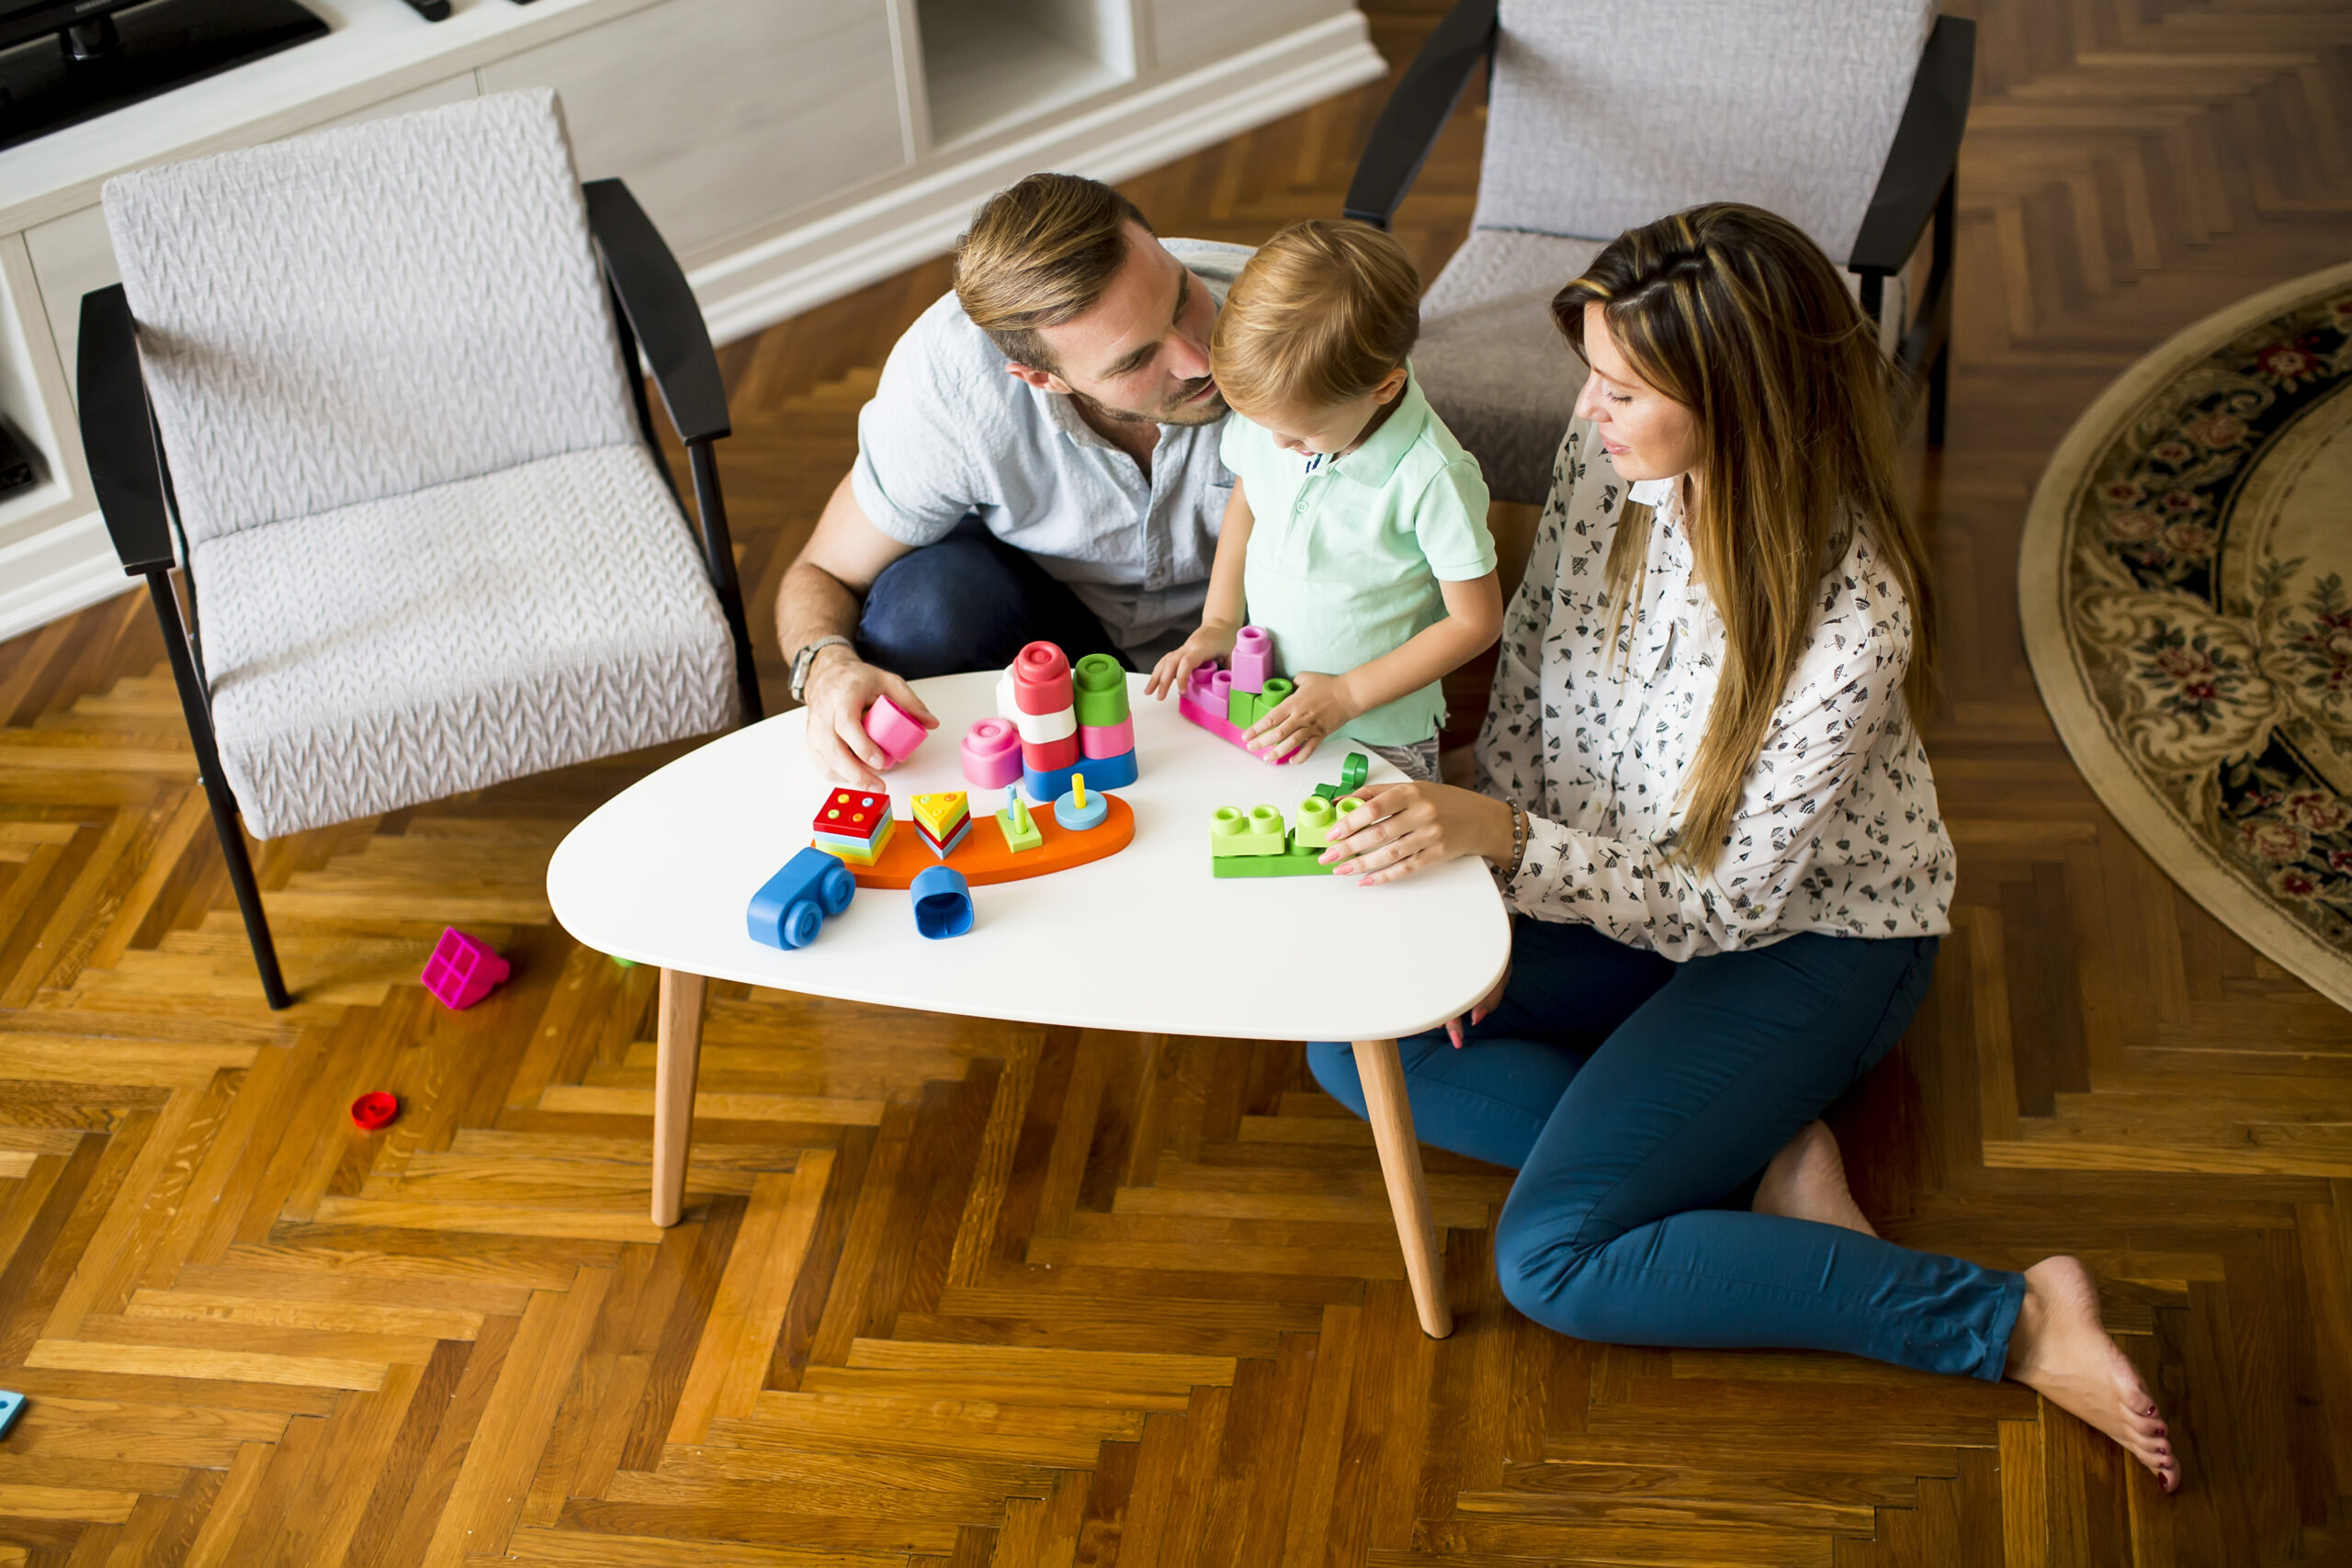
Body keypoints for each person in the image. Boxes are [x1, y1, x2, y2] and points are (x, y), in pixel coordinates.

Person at [1306, 203, 2181, 1491]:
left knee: (1551, 1259)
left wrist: (1509, 845)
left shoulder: (1853, 617)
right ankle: (1764, 1147)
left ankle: (2016, 1316)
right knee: (1355, 1035)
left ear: (1741, 397)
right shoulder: (1610, 455)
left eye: (1622, 387)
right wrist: (1495, 897)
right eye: (1591, 373)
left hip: (1804, 940)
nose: (1588, 407)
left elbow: (1717, 904)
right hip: (1599, 887)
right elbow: (1536, 669)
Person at [775, 173, 1250, 790]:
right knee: (918, 613)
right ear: (1041, 378)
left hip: (1265, 631)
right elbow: (822, 573)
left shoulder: (1300, 320)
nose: (1198, 358)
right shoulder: (949, 386)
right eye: (1136, 359)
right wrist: (827, 669)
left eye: (1182, 298)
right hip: (1056, 634)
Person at [1143, 220, 1502, 783]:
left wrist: (1348, 694)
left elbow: (1475, 621)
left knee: (1382, 852)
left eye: (1301, 435)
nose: (1279, 446)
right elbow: (1249, 502)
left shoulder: (1432, 476)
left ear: (1383, 389)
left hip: (1380, 731)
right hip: (1273, 697)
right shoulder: (1275, 423)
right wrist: (1218, 621)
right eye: (1265, 427)